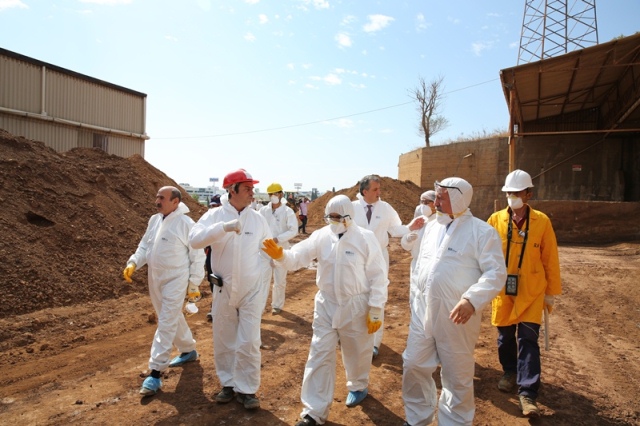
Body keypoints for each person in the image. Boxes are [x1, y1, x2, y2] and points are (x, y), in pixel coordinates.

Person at [261, 195, 389, 426]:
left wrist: (376, 308)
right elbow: (297, 257)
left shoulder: (365, 239)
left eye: (338, 217)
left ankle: (358, 385)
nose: (334, 221)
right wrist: (281, 256)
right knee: (319, 354)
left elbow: (378, 276)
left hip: (356, 305)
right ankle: (313, 412)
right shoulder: (321, 236)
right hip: (326, 304)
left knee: (357, 351)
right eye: (330, 217)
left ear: (349, 216)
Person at [402, 177, 507, 426]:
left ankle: (455, 422)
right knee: (414, 363)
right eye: (436, 196)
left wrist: (472, 300)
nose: (434, 202)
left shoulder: (482, 232)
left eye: (440, 197)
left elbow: (495, 273)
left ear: (458, 198)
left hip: (457, 316)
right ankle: (417, 419)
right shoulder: (430, 226)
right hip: (422, 312)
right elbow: (417, 261)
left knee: (456, 374)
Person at [188, 169, 272, 411]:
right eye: (247, 188)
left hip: (251, 291)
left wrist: (261, 278)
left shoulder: (257, 219)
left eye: (252, 188)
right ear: (232, 189)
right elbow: (194, 241)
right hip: (223, 290)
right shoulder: (213, 216)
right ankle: (228, 383)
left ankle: (247, 390)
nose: (252, 193)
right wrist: (222, 228)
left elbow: (268, 249)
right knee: (224, 338)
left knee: (249, 340)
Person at [488, 169, 562, 418]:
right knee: (505, 338)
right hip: (503, 289)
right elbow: (484, 254)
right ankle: (510, 372)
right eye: (509, 193)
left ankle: (528, 394)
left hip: (531, 291)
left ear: (528, 194)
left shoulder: (542, 221)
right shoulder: (495, 219)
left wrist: (551, 291)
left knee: (528, 340)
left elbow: (550, 258)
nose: (512, 197)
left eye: (516, 192)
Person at [122, 186, 205, 397]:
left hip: (176, 280)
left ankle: (156, 372)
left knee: (166, 322)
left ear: (175, 202)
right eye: (157, 196)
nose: (157, 201)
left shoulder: (187, 224)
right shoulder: (155, 220)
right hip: (155, 278)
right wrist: (134, 262)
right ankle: (188, 350)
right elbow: (144, 245)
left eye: (162, 198)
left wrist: (194, 283)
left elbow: (198, 256)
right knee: (170, 316)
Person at [352, 174, 416, 358]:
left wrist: (411, 226)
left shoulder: (386, 208)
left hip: (379, 257)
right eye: (375, 189)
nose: (379, 193)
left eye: (379, 189)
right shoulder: (352, 207)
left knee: (377, 296)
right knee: (355, 295)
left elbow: (395, 229)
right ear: (365, 191)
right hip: (355, 258)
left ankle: (374, 343)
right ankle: (355, 337)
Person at [259, 182, 298, 314]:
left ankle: (277, 305)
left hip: (281, 250)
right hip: (264, 251)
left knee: (279, 280)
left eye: (276, 193)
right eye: (271, 194)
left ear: (281, 194)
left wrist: (277, 239)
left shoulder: (288, 211)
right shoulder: (263, 211)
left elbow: (294, 230)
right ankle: (260, 307)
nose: (273, 196)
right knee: (262, 280)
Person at [401, 190, 436, 311]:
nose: (424, 205)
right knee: (416, 299)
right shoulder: (420, 220)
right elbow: (406, 246)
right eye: (422, 202)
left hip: (432, 267)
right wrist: (407, 239)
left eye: (427, 202)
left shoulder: (440, 223)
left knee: (430, 302)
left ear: (435, 203)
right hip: (416, 267)